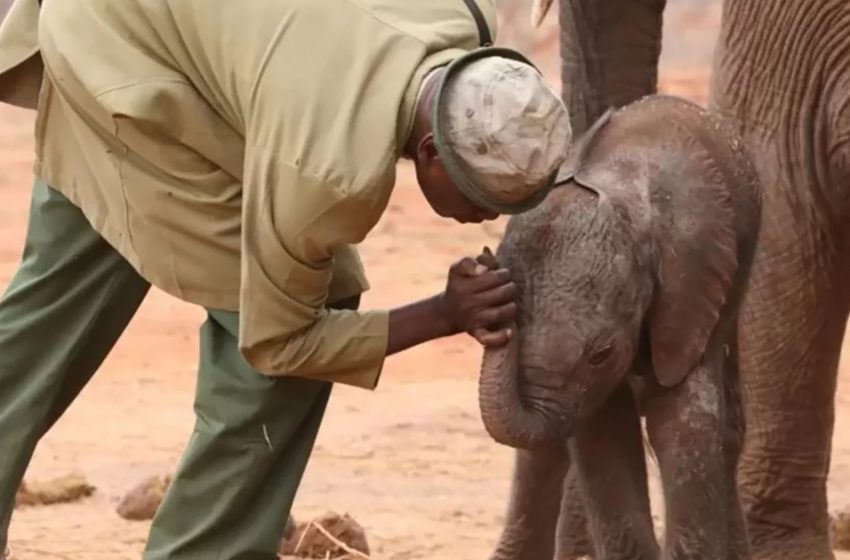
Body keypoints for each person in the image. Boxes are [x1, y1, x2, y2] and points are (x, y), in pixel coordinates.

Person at [0, 0, 572, 558]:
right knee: (301, 318)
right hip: (124, 72)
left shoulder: (466, 14)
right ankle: (207, 547)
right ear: (430, 152)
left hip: (110, 25)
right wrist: (442, 314)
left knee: (51, 307)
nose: (488, 218)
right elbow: (281, 341)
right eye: (482, 198)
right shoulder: (328, 178)